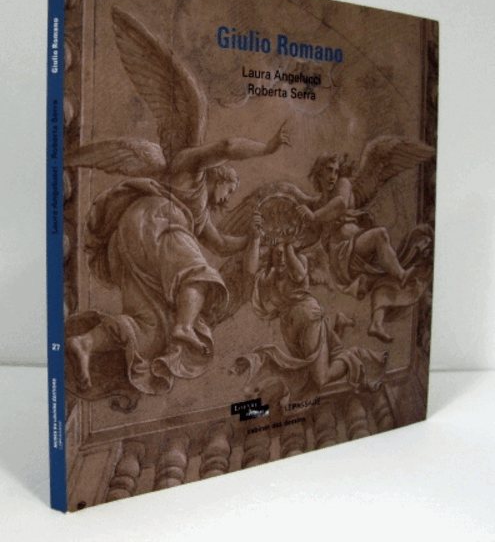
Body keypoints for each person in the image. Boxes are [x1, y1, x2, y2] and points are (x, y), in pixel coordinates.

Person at [66, 127, 289, 396]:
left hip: (128, 245)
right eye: (229, 190)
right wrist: (267, 147)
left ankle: (85, 343)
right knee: (200, 276)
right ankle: (184, 326)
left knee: (152, 331)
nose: (227, 199)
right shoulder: (190, 170)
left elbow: (220, 244)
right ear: (219, 176)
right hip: (155, 220)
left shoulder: (198, 214)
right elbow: (227, 144)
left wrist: (253, 237)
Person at [230, 217, 388, 411]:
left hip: (308, 319)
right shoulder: (269, 275)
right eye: (277, 254)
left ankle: (357, 356)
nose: (280, 258)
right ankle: (338, 327)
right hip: (290, 330)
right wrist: (255, 238)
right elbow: (250, 271)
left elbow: (298, 274)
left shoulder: (300, 261)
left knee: (320, 378)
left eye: (284, 253)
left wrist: (288, 247)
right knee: (305, 376)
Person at [296, 152, 432, 343]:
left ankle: (376, 323)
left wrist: (314, 216)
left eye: (336, 171)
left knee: (382, 278)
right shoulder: (318, 203)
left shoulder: (342, 185)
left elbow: (340, 204)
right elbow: (311, 237)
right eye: (329, 170)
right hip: (343, 255)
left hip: (357, 250)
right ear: (319, 172)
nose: (333, 175)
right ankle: (402, 276)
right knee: (380, 235)